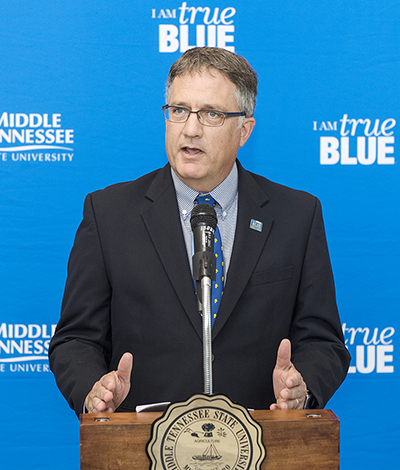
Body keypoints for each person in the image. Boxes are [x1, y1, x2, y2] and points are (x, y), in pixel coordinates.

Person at [49, 47, 350, 416]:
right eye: (179, 110)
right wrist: (93, 392)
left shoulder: (296, 216)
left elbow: (323, 342)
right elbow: (75, 339)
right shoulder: (109, 214)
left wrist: (302, 390)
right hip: (146, 439)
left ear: (244, 130)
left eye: (211, 114)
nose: (190, 129)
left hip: (260, 439)